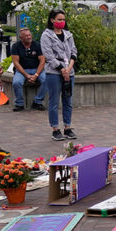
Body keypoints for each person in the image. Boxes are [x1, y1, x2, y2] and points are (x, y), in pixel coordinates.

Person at [40, 9, 78, 141]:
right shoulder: (46, 36)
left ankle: (68, 127)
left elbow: (74, 51)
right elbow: (49, 55)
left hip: (69, 70)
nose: (62, 22)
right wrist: (62, 68)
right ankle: (55, 129)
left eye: (63, 19)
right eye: (59, 19)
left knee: (68, 100)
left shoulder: (68, 35)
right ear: (52, 20)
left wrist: (69, 68)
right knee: (54, 101)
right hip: (54, 72)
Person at [10, 28, 46, 111]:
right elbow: (16, 63)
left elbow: (42, 61)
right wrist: (26, 75)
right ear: (21, 37)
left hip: (37, 69)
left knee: (46, 79)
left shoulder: (37, 45)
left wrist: (36, 74)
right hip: (22, 70)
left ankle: (38, 101)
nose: (28, 37)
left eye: (29, 35)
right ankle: (19, 103)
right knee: (16, 82)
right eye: (26, 36)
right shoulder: (16, 46)